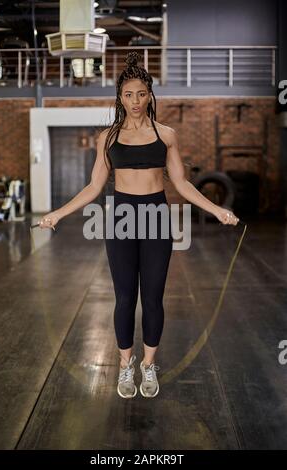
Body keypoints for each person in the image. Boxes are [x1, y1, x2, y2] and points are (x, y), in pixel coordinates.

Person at [37, 51, 239, 399]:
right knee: (125, 296)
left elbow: (183, 183)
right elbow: (93, 187)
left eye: (141, 94)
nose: (135, 101)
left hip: (157, 216)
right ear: (120, 96)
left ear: (150, 95)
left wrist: (216, 209)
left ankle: (148, 366)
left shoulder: (167, 134)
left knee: (154, 297)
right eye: (128, 94)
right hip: (120, 216)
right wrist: (57, 213)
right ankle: (125, 365)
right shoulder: (108, 138)